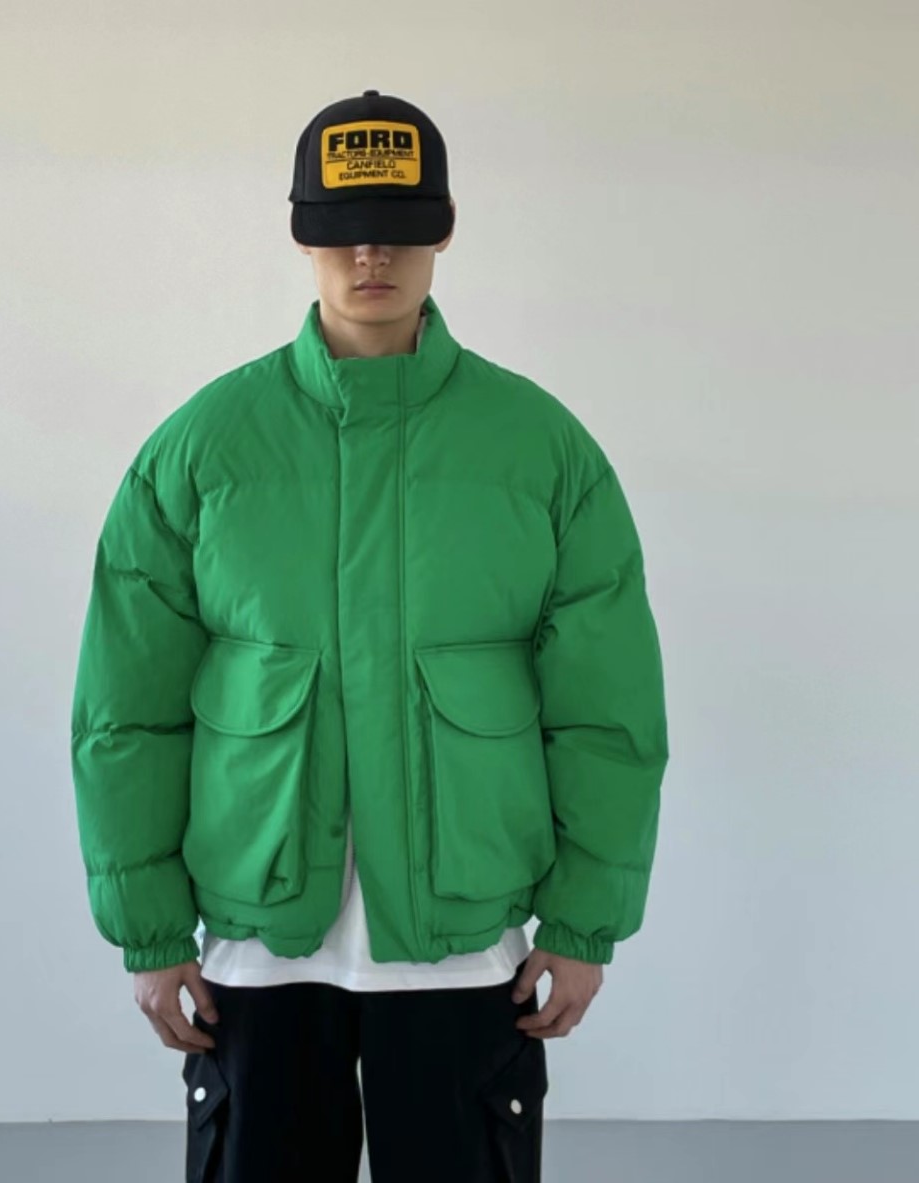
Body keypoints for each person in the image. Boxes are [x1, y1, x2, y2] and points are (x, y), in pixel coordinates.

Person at [70, 89, 669, 1183]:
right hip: (257, 950)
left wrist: (584, 922)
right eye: (343, 229)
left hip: (467, 953)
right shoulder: (201, 452)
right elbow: (127, 713)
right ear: (303, 234)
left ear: (445, 228)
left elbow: (607, 713)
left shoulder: (542, 453)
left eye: (398, 227)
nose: (371, 255)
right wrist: (149, 931)